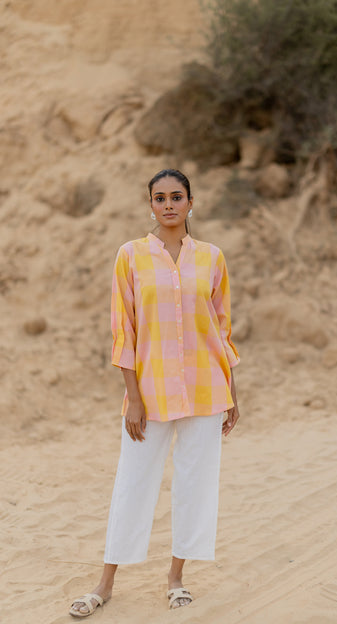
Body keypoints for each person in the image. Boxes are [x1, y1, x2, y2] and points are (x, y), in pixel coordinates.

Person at [69, 169, 240, 616]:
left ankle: (176, 578)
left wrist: (232, 392)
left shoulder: (212, 258)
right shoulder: (130, 256)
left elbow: (221, 330)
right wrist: (134, 397)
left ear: (190, 202)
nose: (168, 204)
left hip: (206, 387)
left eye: (176, 197)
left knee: (195, 483)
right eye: (160, 197)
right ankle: (105, 583)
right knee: (133, 482)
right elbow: (123, 330)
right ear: (150, 204)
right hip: (150, 390)